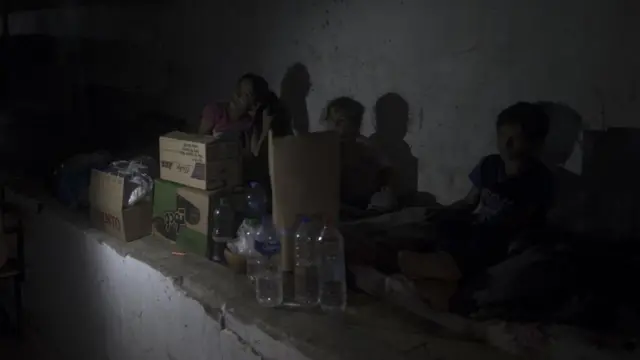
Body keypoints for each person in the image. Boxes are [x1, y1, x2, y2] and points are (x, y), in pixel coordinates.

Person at [398, 102, 553, 310]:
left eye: (515, 139)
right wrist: (444, 212)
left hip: (506, 236)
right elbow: (470, 202)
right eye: (502, 137)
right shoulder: (490, 165)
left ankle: (443, 270)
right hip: (478, 228)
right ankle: (441, 276)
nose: (506, 144)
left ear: (534, 143)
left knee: (489, 239)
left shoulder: (540, 179)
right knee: (449, 225)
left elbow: (525, 220)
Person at [198, 73, 291, 192]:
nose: (237, 95)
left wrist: (265, 128)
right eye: (238, 89)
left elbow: (255, 155)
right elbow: (198, 145)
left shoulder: (249, 123)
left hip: (235, 178)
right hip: (212, 174)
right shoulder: (215, 111)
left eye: (246, 94)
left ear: (255, 105)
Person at [322, 97, 395, 211]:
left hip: (361, 206)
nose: (339, 128)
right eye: (334, 122)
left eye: (343, 121)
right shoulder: (321, 150)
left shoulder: (367, 148)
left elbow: (387, 172)